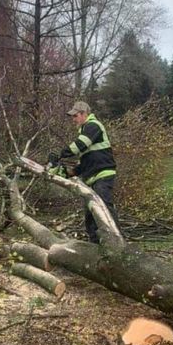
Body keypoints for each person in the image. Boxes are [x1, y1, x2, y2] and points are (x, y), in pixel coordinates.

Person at [53, 100, 120, 243]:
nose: (73, 119)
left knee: (104, 207)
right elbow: (83, 164)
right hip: (92, 178)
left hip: (102, 174)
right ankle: (95, 243)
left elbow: (79, 145)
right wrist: (67, 172)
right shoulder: (85, 131)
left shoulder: (93, 126)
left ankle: (117, 240)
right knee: (90, 212)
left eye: (75, 116)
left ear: (84, 114)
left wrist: (60, 154)